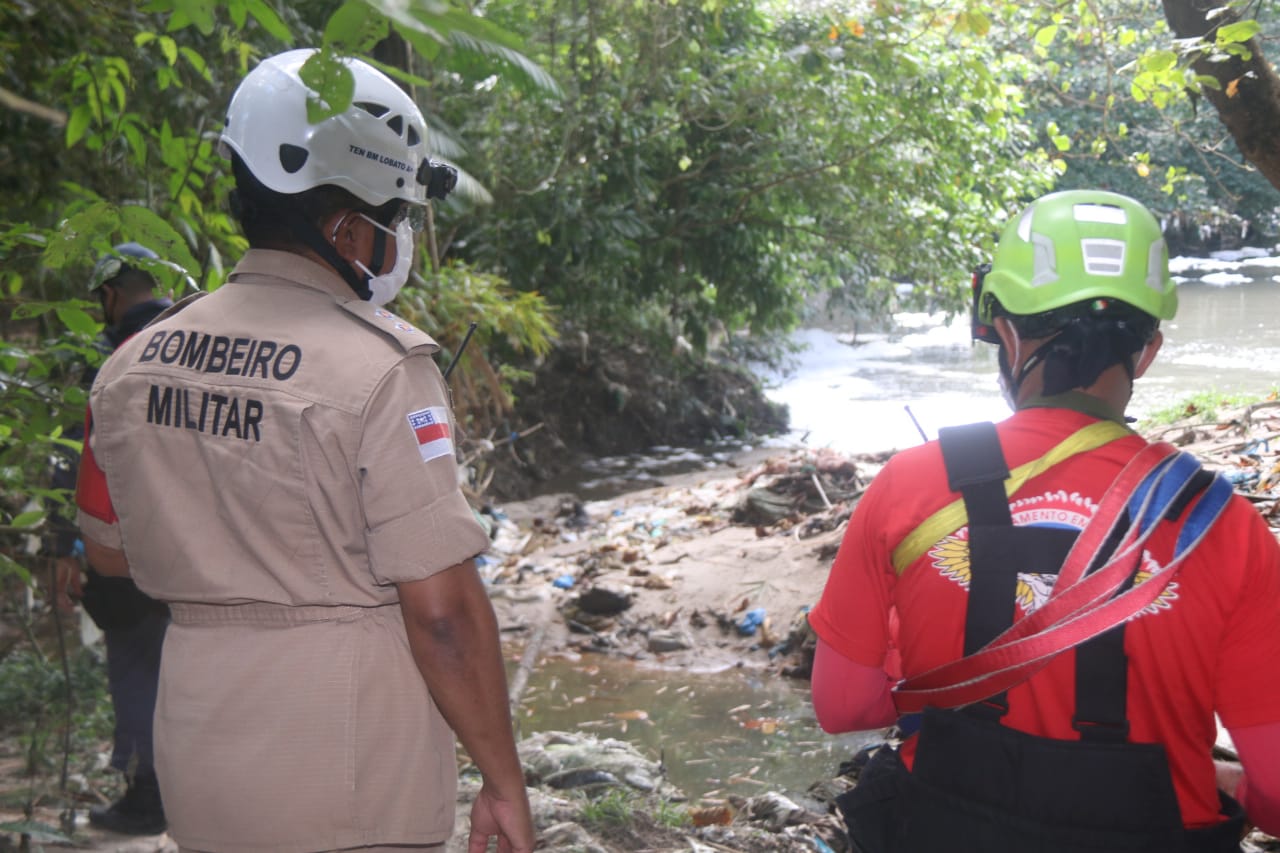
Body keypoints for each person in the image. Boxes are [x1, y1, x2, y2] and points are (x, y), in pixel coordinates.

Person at [75, 48, 534, 853]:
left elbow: (109, 563)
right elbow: (444, 616)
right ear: (345, 226)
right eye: (393, 218)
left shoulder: (130, 366)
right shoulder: (382, 369)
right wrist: (502, 779)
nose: (396, 241)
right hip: (351, 776)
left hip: (198, 762)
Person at [808, 189, 1280, 852]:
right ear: (1147, 351)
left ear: (1005, 332)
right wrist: (1231, 785)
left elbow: (843, 706)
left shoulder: (910, 484)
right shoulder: (1220, 522)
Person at [46, 242, 173, 835]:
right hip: (203, 544)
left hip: (124, 545)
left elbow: (73, 456)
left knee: (136, 666)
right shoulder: (196, 336)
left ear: (109, 295)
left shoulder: (105, 358)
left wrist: (62, 547)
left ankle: (149, 796)